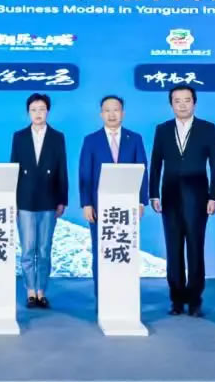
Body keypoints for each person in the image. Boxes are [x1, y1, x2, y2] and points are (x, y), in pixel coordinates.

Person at [149, 85, 215, 318]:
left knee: (195, 247)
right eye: (177, 101)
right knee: (173, 249)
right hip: (169, 195)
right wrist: (153, 193)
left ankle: (195, 300)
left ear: (194, 103)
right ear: (171, 104)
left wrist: (214, 196)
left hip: (198, 195)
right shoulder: (162, 129)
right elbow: (155, 164)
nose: (182, 105)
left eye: (187, 100)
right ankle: (177, 300)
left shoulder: (208, 129)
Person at [78, 95, 148, 302]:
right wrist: (86, 203)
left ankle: (124, 295)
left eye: (115, 110)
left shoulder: (134, 139)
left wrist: (141, 201)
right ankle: (103, 296)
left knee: (125, 249)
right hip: (99, 207)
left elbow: (143, 170)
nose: (111, 114)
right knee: (101, 251)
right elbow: (85, 174)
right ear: (101, 114)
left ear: (122, 113)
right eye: (107, 110)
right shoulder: (91, 140)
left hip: (127, 206)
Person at [10, 93, 68, 309]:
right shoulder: (19, 136)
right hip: (25, 200)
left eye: (42, 109)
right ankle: (30, 291)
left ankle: (41, 291)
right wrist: (13, 200)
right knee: (27, 249)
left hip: (49, 200)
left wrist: (62, 199)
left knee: (44, 249)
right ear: (28, 112)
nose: (38, 113)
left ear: (48, 112)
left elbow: (62, 169)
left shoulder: (57, 137)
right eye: (34, 110)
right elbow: (14, 168)